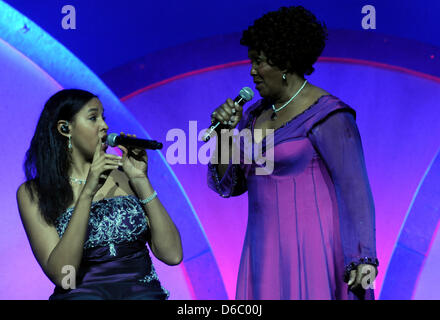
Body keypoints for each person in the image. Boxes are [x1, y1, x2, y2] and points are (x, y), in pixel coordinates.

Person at [207, 6, 378, 300]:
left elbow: (354, 189)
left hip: (314, 253)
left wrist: (363, 257)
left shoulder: (328, 114)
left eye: (258, 62)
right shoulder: (253, 116)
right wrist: (224, 133)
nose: (251, 71)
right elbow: (229, 186)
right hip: (264, 255)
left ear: (284, 63)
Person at [17, 89, 183, 300]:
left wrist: (140, 179)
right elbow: (62, 275)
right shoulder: (34, 193)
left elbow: (173, 254)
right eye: (93, 118)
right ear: (65, 128)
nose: (104, 126)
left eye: (103, 118)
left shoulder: (125, 177)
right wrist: (87, 193)